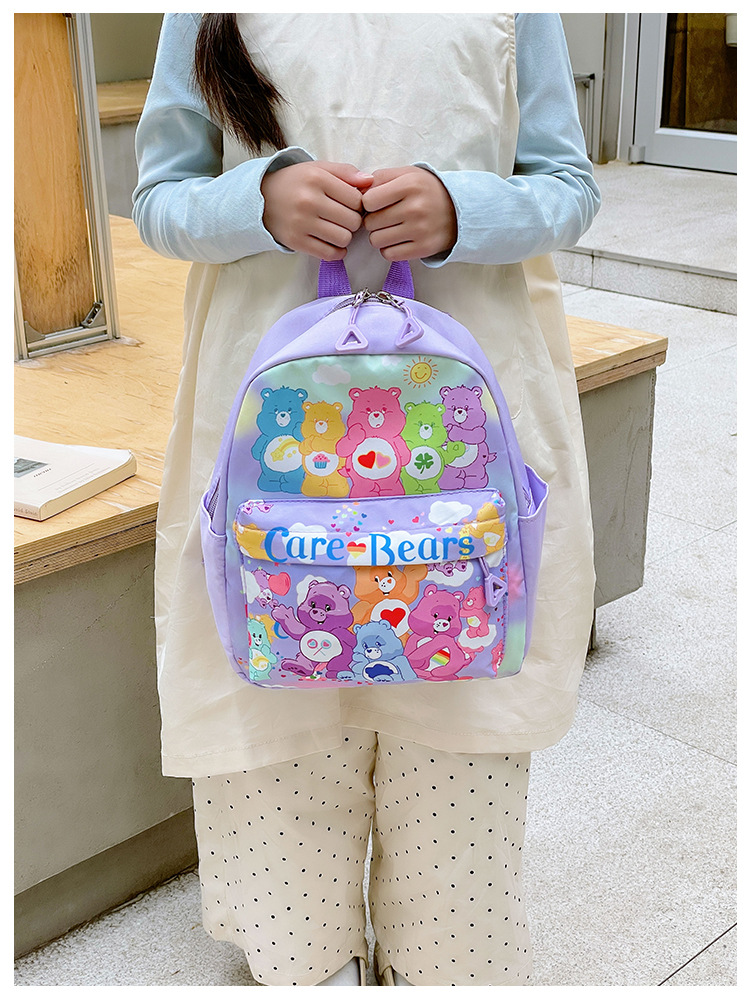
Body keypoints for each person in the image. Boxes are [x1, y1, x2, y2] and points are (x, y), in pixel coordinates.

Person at [133, 12, 600, 987]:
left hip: (463, 451)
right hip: (272, 453)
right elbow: (159, 198)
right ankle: (305, 962)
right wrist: (258, 200)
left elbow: (567, 185)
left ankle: (441, 964)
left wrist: (464, 208)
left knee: (460, 742)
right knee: (279, 740)